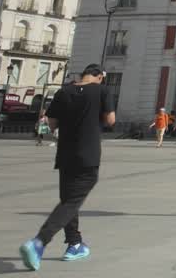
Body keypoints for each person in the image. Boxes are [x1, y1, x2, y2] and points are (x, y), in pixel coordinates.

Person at [19, 64, 116, 269]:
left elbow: (51, 124)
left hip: (65, 154)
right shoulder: (102, 90)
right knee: (71, 202)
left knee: (68, 199)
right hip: (88, 154)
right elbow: (110, 120)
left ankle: (75, 243)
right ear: (99, 77)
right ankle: (39, 242)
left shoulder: (63, 91)